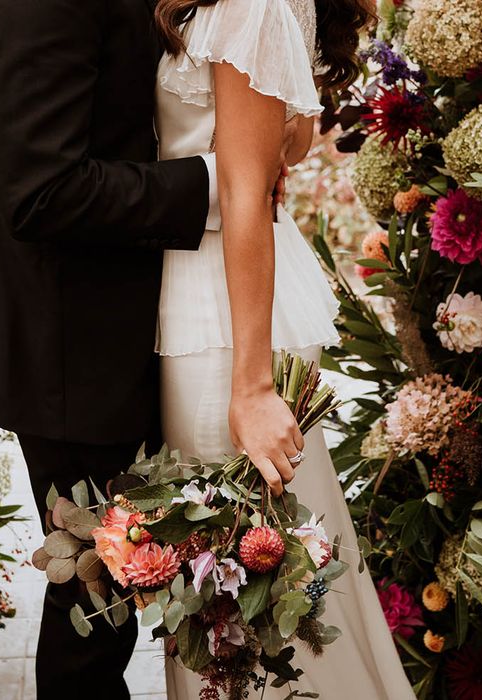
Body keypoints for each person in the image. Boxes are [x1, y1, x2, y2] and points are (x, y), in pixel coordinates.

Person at [0, 0, 294, 697]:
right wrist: (220, 181)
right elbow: (43, 192)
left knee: (118, 593)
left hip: (123, 330)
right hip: (70, 353)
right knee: (92, 606)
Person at [153, 0, 417, 697]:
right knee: (226, 594)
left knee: (252, 589)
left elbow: (245, 192)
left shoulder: (256, 2)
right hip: (206, 289)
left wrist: (253, 388)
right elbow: (285, 141)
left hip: (223, 318)